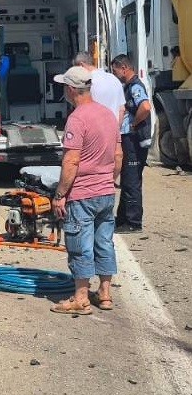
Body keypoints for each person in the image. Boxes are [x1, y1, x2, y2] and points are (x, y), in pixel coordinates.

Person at [49, 66, 122, 315]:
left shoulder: (77, 118)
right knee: (104, 241)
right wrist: (108, 180)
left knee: (79, 244)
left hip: (83, 193)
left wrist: (59, 195)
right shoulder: (108, 115)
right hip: (106, 192)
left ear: (71, 90)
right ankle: (105, 293)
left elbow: (71, 161)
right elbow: (118, 155)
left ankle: (81, 297)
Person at [110, 54, 152, 233]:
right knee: (127, 179)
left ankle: (133, 222)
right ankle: (122, 219)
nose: (115, 74)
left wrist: (134, 124)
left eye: (115, 70)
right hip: (128, 139)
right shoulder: (127, 87)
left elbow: (145, 107)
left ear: (124, 68)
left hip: (133, 140)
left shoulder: (135, 86)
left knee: (132, 181)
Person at [73, 52, 124, 126]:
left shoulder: (87, 84)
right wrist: (117, 131)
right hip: (114, 131)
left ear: (81, 65)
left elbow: (83, 111)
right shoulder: (114, 79)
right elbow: (121, 109)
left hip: (96, 132)